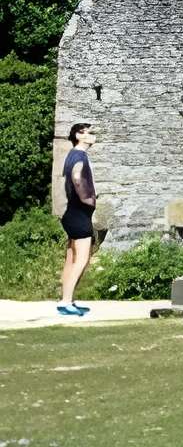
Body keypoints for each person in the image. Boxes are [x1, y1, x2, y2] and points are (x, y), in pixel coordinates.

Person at [50, 122, 98, 315]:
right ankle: (66, 302)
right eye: (90, 133)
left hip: (72, 213)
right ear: (79, 135)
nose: (93, 136)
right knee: (82, 259)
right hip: (79, 213)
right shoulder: (79, 156)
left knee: (71, 258)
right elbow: (77, 177)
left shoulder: (72, 154)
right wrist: (88, 199)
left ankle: (66, 300)